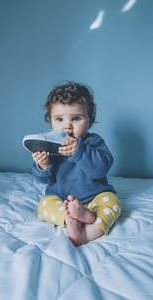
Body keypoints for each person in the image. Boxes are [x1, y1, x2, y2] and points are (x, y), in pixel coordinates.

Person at [32, 82, 121, 246]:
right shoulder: (51, 147)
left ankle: (87, 232)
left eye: (76, 118)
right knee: (44, 205)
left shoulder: (94, 142)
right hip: (64, 200)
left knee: (113, 202)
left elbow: (99, 170)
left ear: (89, 120)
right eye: (59, 119)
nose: (67, 126)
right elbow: (46, 180)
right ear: (50, 121)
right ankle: (70, 219)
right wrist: (43, 166)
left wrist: (79, 151)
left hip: (95, 198)